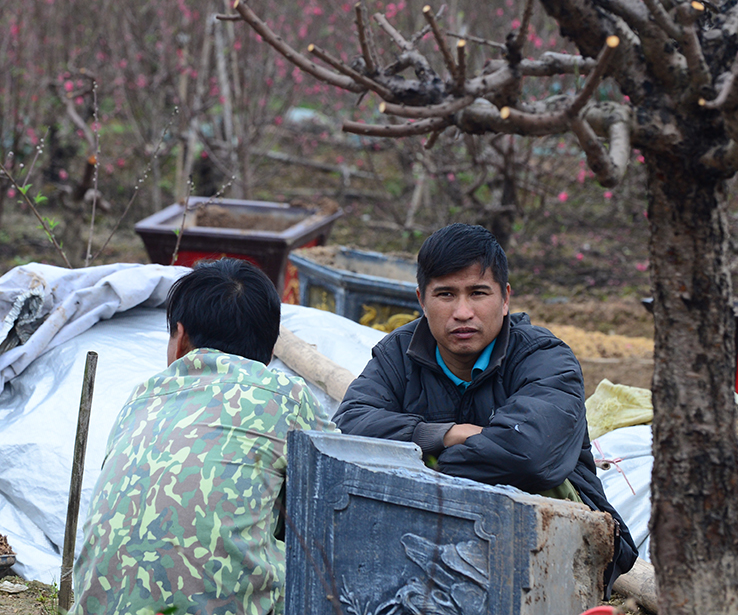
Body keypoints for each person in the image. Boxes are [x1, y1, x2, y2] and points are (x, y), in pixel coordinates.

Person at [333, 223, 637, 591]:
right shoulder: (398, 354)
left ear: (505, 298)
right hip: (430, 535)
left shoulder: (544, 357)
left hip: (550, 546)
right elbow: (347, 427)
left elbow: (530, 455)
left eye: (478, 293)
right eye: (445, 294)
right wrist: (447, 434)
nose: (462, 312)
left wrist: (425, 465)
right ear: (420, 300)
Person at [69, 258, 336, 615]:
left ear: (180, 338)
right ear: (271, 349)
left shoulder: (141, 398)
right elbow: (339, 488)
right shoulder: (286, 396)